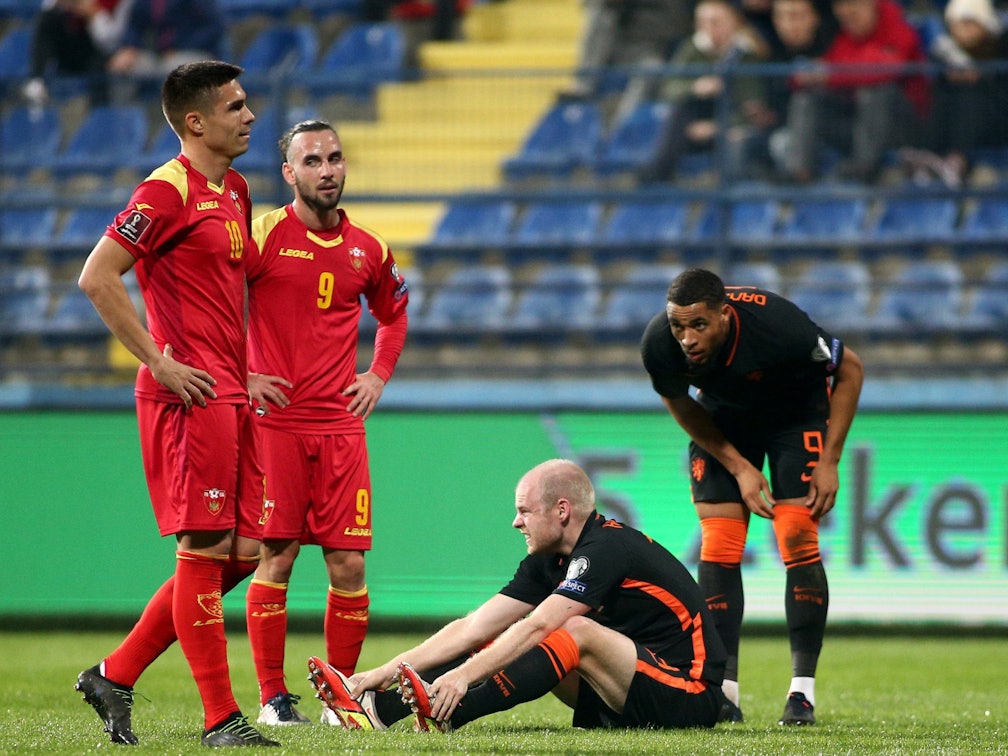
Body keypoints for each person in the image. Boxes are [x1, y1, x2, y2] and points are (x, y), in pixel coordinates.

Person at [74, 60, 279, 748]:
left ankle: (116, 672)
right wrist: (159, 361)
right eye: (236, 106)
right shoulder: (163, 193)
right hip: (186, 397)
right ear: (197, 122)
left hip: (229, 392)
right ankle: (221, 720)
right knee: (206, 546)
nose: (249, 116)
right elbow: (97, 277)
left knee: (248, 552)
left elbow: (232, 297)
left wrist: (247, 370)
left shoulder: (239, 190)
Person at [306, 458, 731, 733]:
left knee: (570, 629)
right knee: (504, 633)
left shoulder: (605, 547)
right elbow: (474, 627)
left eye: (524, 510)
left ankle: (447, 714)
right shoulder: (549, 558)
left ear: (561, 511)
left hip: (688, 696)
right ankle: (375, 711)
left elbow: (543, 626)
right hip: (623, 693)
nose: (515, 522)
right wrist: (375, 674)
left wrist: (464, 677)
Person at [640, 268, 864, 725]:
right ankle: (724, 692)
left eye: (698, 325)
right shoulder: (658, 343)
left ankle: (802, 693)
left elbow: (852, 369)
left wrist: (830, 461)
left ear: (724, 315)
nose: (686, 338)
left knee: (797, 536)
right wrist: (740, 467)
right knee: (719, 543)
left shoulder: (780, 327)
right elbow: (681, 403)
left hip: (795, 416)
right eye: (679, 326)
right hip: (724, 421)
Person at [242, 119, 410, 726]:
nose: (328, 170)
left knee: (349, 565)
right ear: (289, 173)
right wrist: (242, 373)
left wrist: (377, 374)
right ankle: (271, 698)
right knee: (277, 558)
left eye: (335, 158)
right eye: (312, 161)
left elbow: (393, 316)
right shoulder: (260, 235)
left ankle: (341, 697)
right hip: (276, 427)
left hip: (341, 429)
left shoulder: (370, 249)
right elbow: (210, 301)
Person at [773, 0, 929, 182]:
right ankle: (798, 173)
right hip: (857, 126)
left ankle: (864, 169)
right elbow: (817, 76)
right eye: (841, 6)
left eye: (853, 5)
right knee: (807, 97)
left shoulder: (899, 28)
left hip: (904, 127)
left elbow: (884, 69)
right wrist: (811, 76)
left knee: (875, 92)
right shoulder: (844, 37)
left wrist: (831, 74)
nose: (846, 11)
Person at [639, 0, 774, 183]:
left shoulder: (748, 55)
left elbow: (753, 109)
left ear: (734, 22)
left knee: (738, 138)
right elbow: (667, 89)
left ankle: (724, 193)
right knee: (680, 108)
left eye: (715, 21)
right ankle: (656, 175)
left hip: (731, 125)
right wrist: (695, 87)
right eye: (702, 22)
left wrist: (716, 127)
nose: (708, 28)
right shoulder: (691, 49)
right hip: (693, 127)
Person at [907, 0, 1008, 187]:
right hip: (956, 122)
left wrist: (980, 78)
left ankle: (957, 160)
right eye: (956, 24)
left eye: (969, 23)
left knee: (970, 96)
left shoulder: (1001, 47)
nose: (962, 30)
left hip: (997, 122)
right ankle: (931, 155)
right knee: (944, 93)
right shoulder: (945, 51)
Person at [24, 0, 131, 105]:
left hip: (97, 51)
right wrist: (68, 5)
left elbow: (112, 40)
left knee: (103, 67)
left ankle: (99, 111)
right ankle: (37, 80)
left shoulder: (119, 3)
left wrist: (93, 13)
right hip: (68, 48)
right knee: (47, 19)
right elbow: (48, 8)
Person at [107, 0, 225, 80]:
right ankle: (124, 114)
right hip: (157, 54)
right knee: (122, 67)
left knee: (173, 70)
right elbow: (135, 24)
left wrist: (180, 48)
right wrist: (129, 47)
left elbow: (214, 26)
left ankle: (173, 116)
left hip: (193, 52)